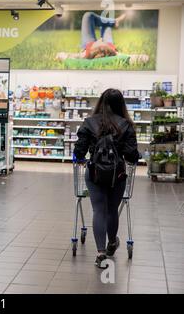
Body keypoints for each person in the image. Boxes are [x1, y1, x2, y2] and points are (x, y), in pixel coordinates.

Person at [73, 88, 140, 268]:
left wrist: (81, 158)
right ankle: (112, 243)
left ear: (101, 102)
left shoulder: (89, 122)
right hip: (117, 175)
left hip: (94, 174)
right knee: (111, 210)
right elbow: (132, 155)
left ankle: (101, 252)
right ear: (121, 104)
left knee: (99, 210)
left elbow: (79, 151)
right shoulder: (126, 125)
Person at [55, 12, 149, 65]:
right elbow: (144, 58)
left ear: (93, 50)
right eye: (101, 40)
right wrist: (117, 54)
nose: (100, 39)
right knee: (106, 26)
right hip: (109, 46)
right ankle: (114, 21)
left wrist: (81, 55)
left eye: (99, 41)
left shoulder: (85, 55)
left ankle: (112, 21)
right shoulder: (114, 54)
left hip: (88, 44)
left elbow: (60, 55)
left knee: (88, 16)